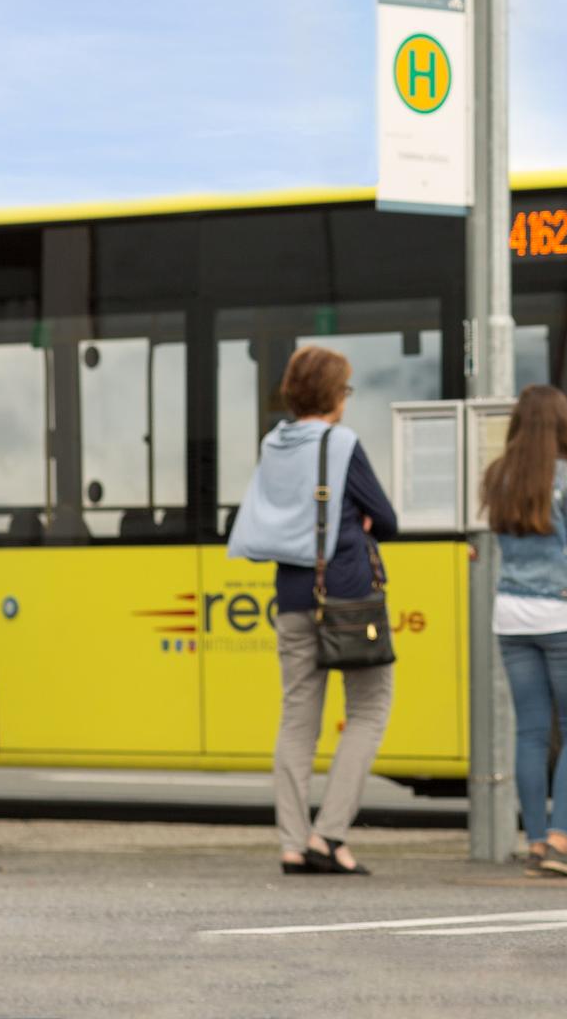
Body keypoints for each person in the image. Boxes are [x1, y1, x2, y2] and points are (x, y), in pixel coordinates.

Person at [228, 345, 398, 877]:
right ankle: (330, 835)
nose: (346, 400)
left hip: (294, 595)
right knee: (370, 709)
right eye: (344, 390)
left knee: (298, 718)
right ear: (331, 394)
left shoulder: (273, 443)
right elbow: (386, 518)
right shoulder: (341, 443)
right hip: (347, 595)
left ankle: (292, 842)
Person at [481, 384, 567, 878]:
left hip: (511, 614)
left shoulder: (499, 477)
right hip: (564, 616)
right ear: (563, 424)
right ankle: (561, 840)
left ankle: (536, 843)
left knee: (531, 733)